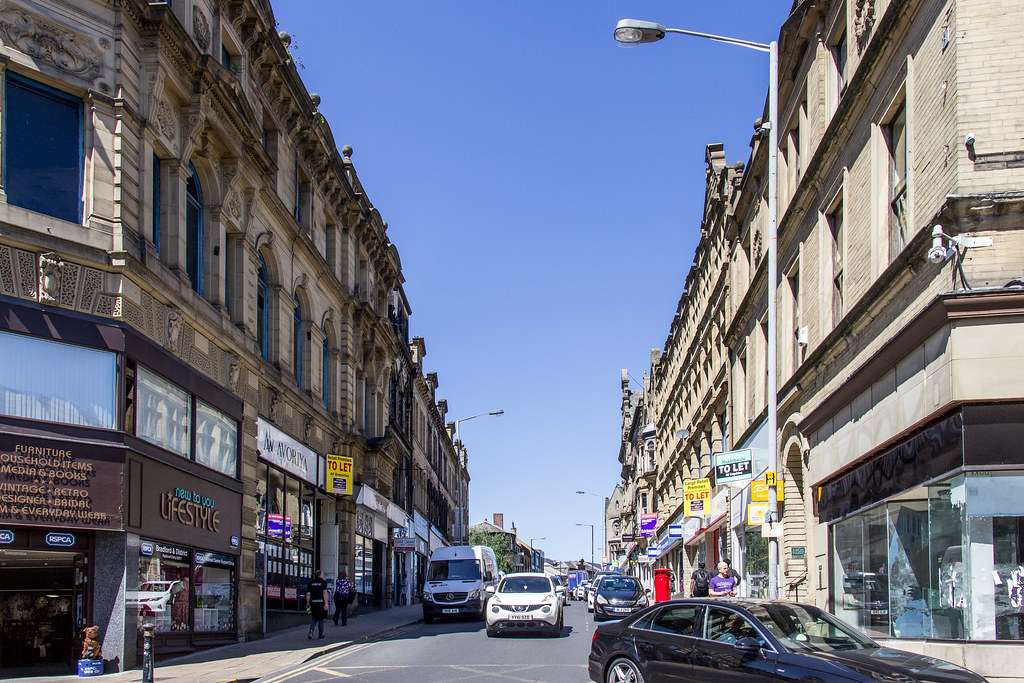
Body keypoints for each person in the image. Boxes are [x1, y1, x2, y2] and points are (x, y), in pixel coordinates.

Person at [306, 569, 329, 639]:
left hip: (313, 603)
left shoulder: (311, 583)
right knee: (321, 619)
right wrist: (326, 603)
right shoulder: (323, 583)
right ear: (320, 575)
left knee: (314, 618)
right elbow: (324, 593)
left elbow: (308, 594)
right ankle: (321, 635)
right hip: (320, 603)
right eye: (322, 574)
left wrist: (307, 603)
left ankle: (311, 630)